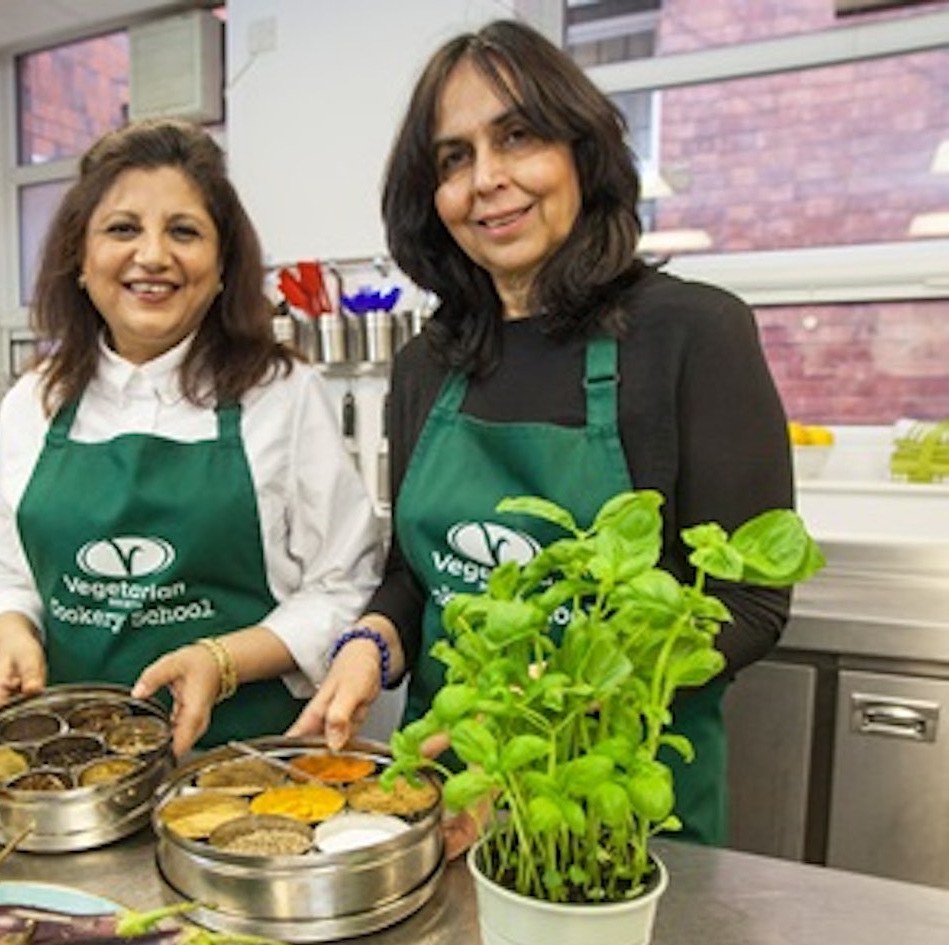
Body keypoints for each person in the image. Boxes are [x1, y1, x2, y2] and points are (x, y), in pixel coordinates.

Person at [289, 19, 794, 847]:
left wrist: (551, 714)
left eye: (517, 136)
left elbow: (750, 602)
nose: (487, 179)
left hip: (617, 805)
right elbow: (413, 576)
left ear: (580, 152)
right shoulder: (426, 362)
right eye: (453, 158)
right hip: (443, 793)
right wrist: (367, 646)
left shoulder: (693, 333)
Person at [0, 118, 383, 757]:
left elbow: (344, 582)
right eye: (122, 229)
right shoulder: (35, 402)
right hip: (77, 768)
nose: (154, 256)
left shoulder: (281, 393)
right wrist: (11, 632)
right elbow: (0, 574)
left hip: (250, 767)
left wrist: (223, 659)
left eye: (184, 231)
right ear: (79, 258)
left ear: (222, 265)